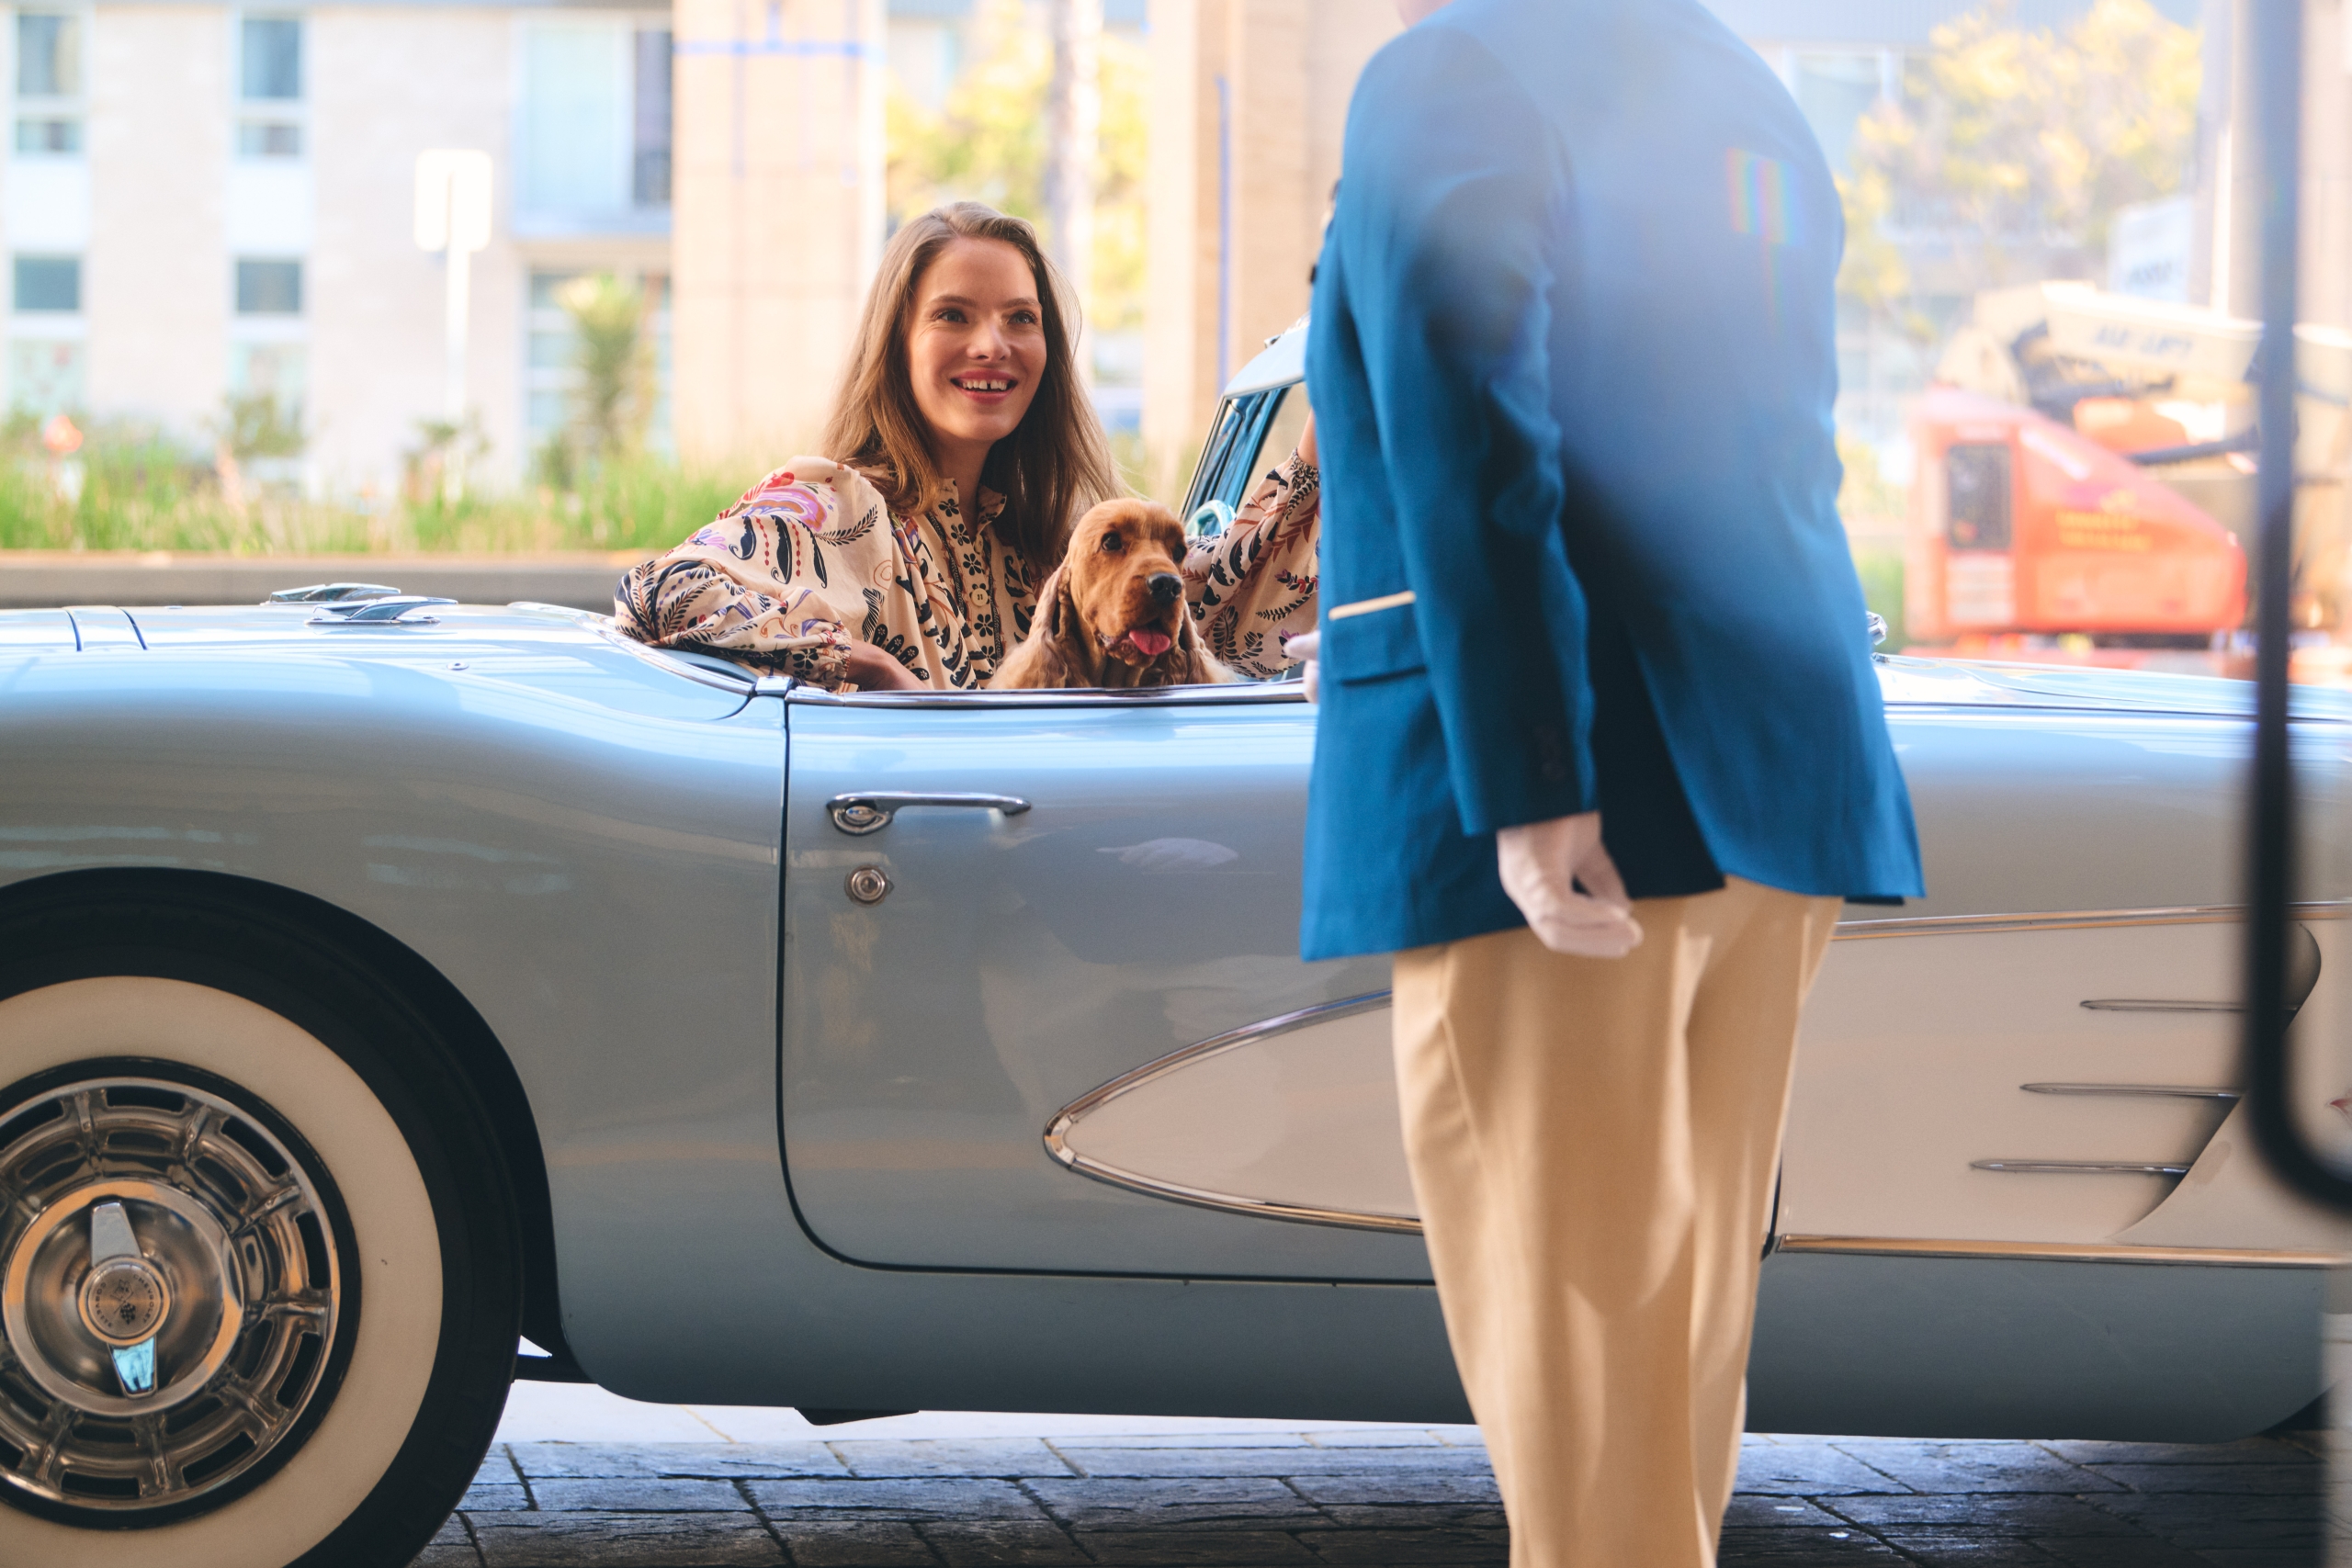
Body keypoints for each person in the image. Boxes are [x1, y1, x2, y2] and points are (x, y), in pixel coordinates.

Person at [1287, 1, 1923, 1563]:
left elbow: (1468, 410)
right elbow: (1785, 426)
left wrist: (1527, 772)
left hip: (1575, 789)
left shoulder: (1449, 73)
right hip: (1775, 765)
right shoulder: (1746, 91)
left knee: (1577, 1334)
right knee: (1668, 1342)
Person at [616, 201, 1319, 689]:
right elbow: (661, 593)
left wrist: (1330, 424)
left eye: (1021, 318)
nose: (992, 344)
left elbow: (1203, 612)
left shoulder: (1047, 536)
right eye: (953, 315)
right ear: (898, 345)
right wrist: (864, 666)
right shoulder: (838, 504)